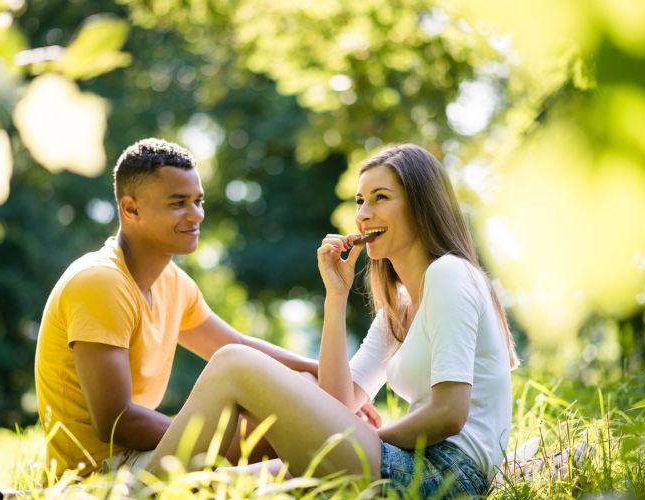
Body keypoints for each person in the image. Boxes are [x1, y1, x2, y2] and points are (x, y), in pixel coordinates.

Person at [141, 144, 519, 497]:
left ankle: (127, 495)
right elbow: (338, 405)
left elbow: (450, 413)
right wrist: (335, 297)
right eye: (360, 201)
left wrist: (373, 439)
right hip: (405, 464)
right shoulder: (399, 309)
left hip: (444, 476)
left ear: (421, 206)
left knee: (232, 362)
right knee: (220, 486)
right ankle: (143, 490)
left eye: (380, 198)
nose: (362, 214)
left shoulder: (449, 274)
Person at [34, 138, 379, 478]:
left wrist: (325, 378)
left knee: (300, 394)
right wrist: (198, 438)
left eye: (198, 201)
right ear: (131, 208)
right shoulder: (102, 283)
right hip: (102, 473)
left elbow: (237, 346)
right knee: (280, 426)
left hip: (143, 455)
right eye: (178, 203)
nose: (196, 214)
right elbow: (117, 424)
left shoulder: (171, 281)